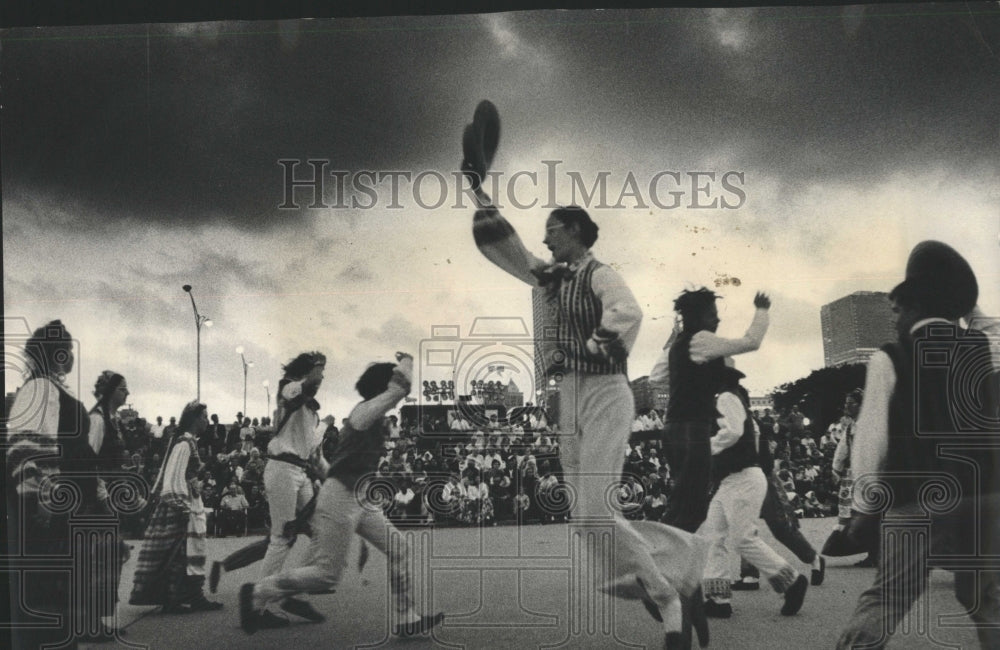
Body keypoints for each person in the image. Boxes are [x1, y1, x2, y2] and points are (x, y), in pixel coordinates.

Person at [470, 190, 708, 648]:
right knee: (584, 518)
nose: (546, 238)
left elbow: (628, 311)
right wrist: (478, 193)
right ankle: (680, 576)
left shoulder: (601, 273)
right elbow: (512, 252)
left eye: (553, 230)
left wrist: (597, 342)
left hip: (604, 392)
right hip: (571, 394)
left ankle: (669, 597)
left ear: (576, 231)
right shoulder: (553, 275)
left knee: (597, 510)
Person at [837, 241, 1000, 649]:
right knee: (986, 600)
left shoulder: (891, 356)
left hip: (919, 495)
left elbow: (872, 440)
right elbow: (987, 325)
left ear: (911, 308)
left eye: (896, 309)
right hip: (985, 495)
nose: (893, 319)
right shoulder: (981, 350)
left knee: (888, 597)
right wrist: (962, 299)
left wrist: (864, 507)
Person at [240, 353, 445, 637]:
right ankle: (260, 591)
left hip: (357, 497)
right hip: (342, 498)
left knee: (398, 547)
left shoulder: (368, 415)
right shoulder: (364, 413)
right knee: (326, 574)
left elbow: (334, 466)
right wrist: (408, 360)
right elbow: (400, 388)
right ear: (382, 387)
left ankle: (406, 616)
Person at [219, 352, 328, 628]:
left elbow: (313, 453)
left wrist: (326, 428)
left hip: (299, 472)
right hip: (282, 469)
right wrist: (318, 363)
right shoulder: (288, 386)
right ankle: (257, 604)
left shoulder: (311, 411)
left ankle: (294, 592)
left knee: (320, 532)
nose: (323, 377)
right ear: (306, 371)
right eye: (321, 372)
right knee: (281, 538)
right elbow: (312, 381)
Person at [650, 288, 771, 534]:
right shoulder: (703, 339)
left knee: (681, 501)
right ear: (698, 318)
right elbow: (751, 342)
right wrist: (762, 310)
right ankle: (656, 561)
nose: (718, 319)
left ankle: (659, 559)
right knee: (692, 507)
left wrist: (687, 377)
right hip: (693, 428)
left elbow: (656, 377)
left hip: (672, 428)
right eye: (712, 315)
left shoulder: (676, 345)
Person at [698, 363, 808, 618]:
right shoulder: (731, 395)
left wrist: (706, 447)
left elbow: (733, 431)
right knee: (713, 535)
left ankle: (791, 581)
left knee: (740, 538)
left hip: (743, 478)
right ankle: (718, 598)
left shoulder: (726, 397)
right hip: (735, 479)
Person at [130, 401, 223, 613]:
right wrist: (181, 505)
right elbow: (173, 475)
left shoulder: (189, 443)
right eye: (204, 417)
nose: (207, 421)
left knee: (191, 550)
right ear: (193, 419)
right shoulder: (184, 444)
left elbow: (184, 475)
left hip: (191, 501)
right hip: (185, 504)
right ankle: (179, 598)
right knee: (183, 551)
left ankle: (190, 595)